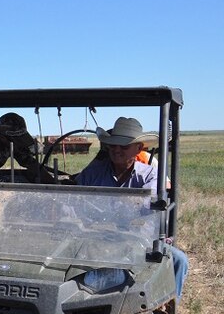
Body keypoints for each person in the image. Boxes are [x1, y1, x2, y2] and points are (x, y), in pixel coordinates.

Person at [77, 117, 188, 298]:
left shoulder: (151, 176)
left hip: (138, 241)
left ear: (138, 148)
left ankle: (166, 307)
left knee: (178, 260)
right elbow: (75, 201)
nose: (116, 150)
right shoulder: (93, 173)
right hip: (95, 238)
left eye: (123, 146)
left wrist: (107, 209)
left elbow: (142, 204)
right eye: (113, 145)